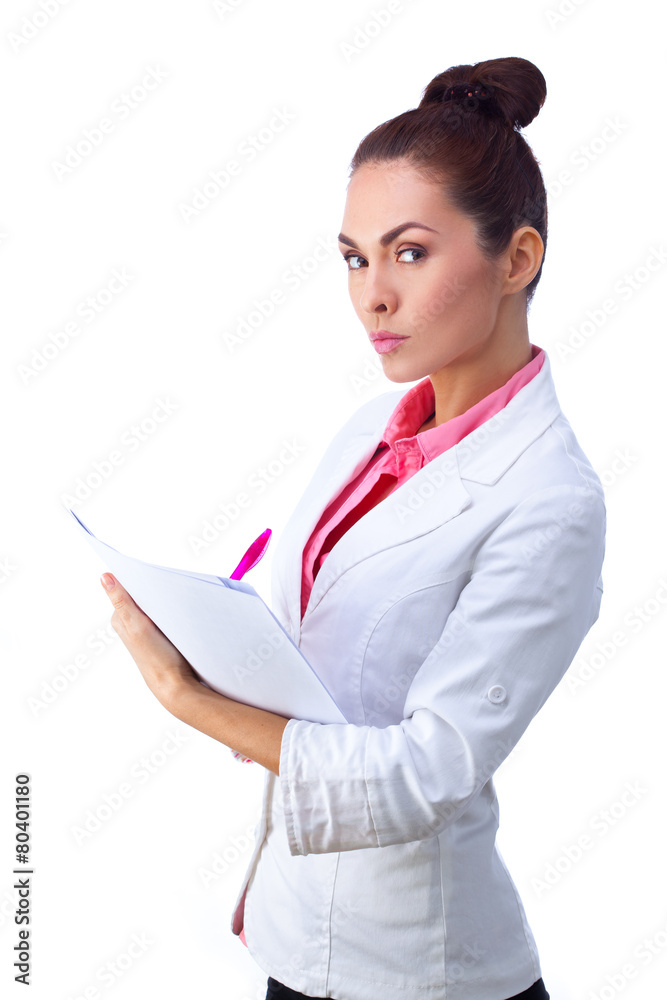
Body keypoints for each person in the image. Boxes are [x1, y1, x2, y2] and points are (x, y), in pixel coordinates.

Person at [100, 56, 606, 1000]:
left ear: (517, 259)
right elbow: (318, 656)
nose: (371, 294)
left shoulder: (549, 504)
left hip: (420, 971)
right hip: (293, 932)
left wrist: (186, 696)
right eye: (353, 257)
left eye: (408, 253)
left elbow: (428, 771)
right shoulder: (370, 431)